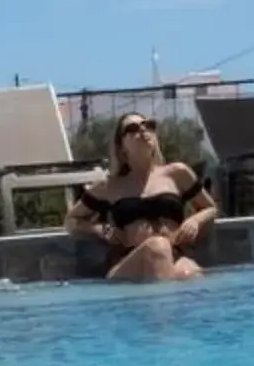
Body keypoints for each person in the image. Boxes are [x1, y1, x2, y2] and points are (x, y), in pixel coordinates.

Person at [69, 113, 216, 284]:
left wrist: (196, 220)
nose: (143, 130)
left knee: (190, 275)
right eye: (132, 129)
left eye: (149, 125)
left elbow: (210, 207)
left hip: (175, 254)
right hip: (129, 262)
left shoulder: (177, 173)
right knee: (157, 247)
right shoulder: (109, 186)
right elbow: (71, 221)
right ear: (121, 146)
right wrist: (103, 229)